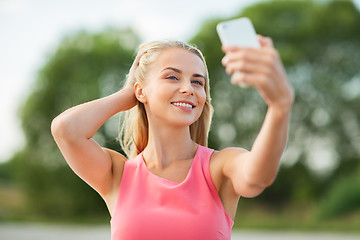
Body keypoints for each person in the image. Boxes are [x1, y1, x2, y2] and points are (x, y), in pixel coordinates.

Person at [51, 36, 294, 239]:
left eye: (198, 82)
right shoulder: (118, 174)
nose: (189, 88)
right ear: (141, 90)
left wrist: (279, 107)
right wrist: (127, 96)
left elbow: (258, 176)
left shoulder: (219, 168)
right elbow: (66, 130)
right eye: (172, 77)